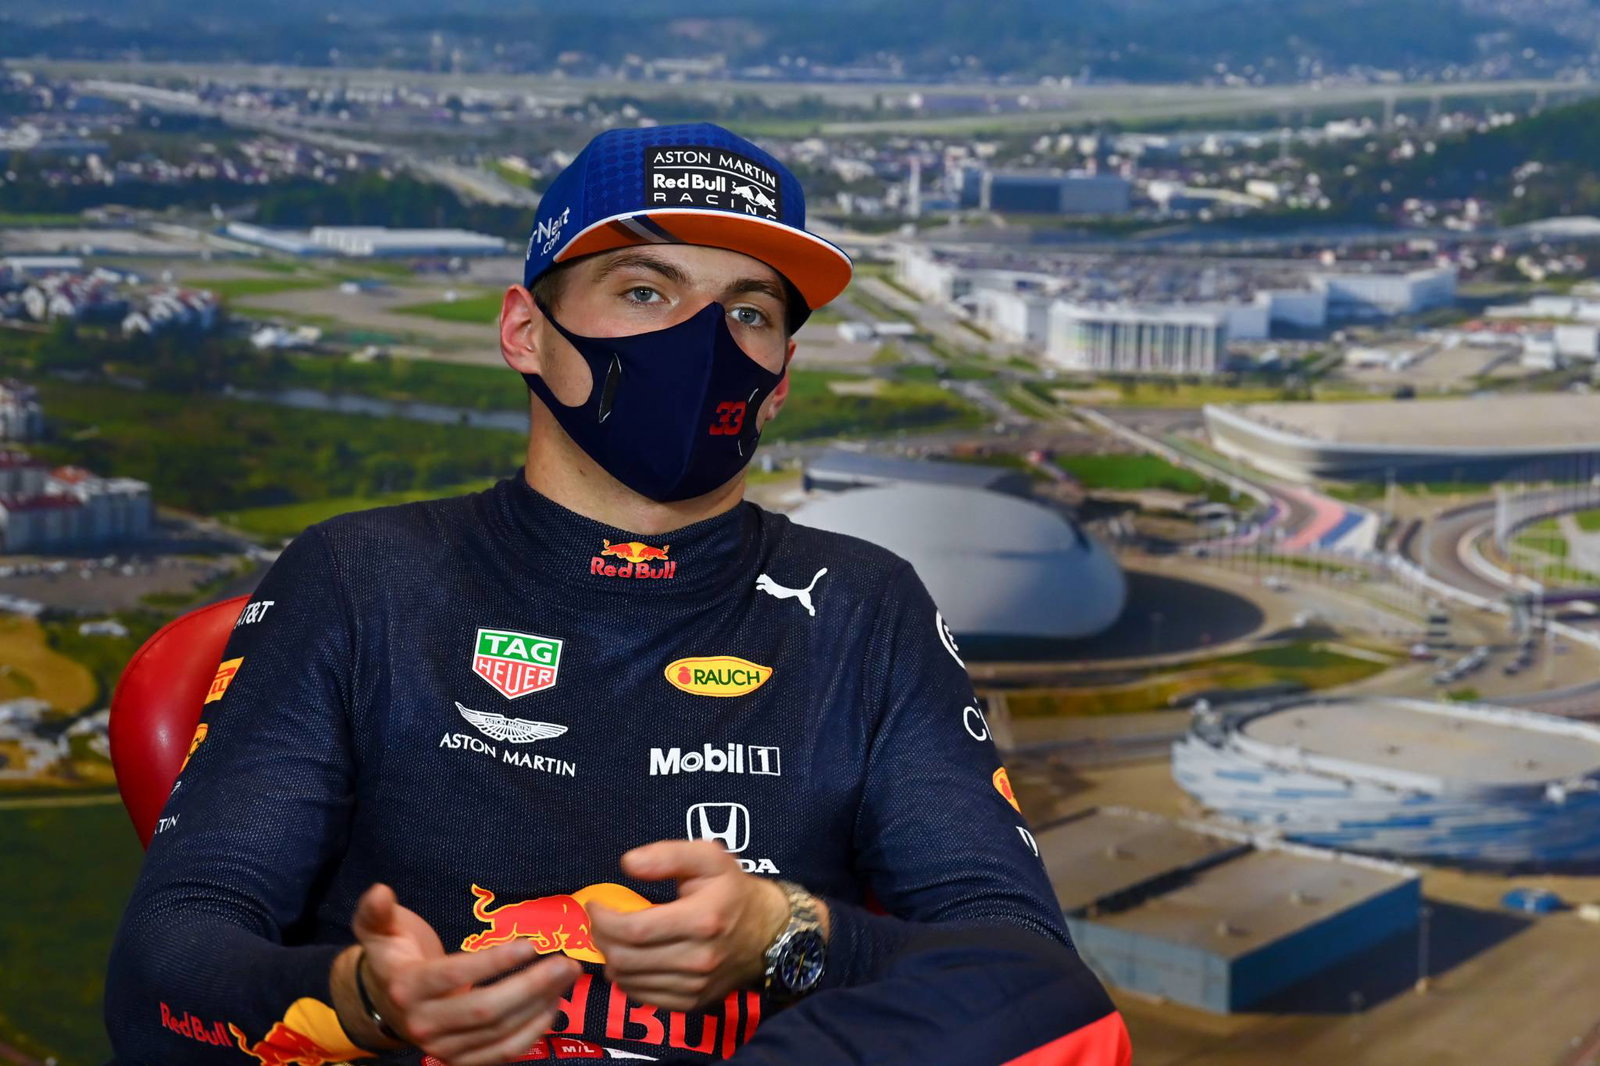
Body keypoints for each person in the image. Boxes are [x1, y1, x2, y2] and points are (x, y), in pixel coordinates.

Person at [105, 122, 1131, 1066]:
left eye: (749, 310)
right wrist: (365, 995)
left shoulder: (864, 605)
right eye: (645, 291)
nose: (703, 341)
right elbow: (164, 970)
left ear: (778, 381)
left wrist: (786, 934)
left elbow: (1021, 970)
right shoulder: (360, 578)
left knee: (1065, 1013)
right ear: (524, 331)